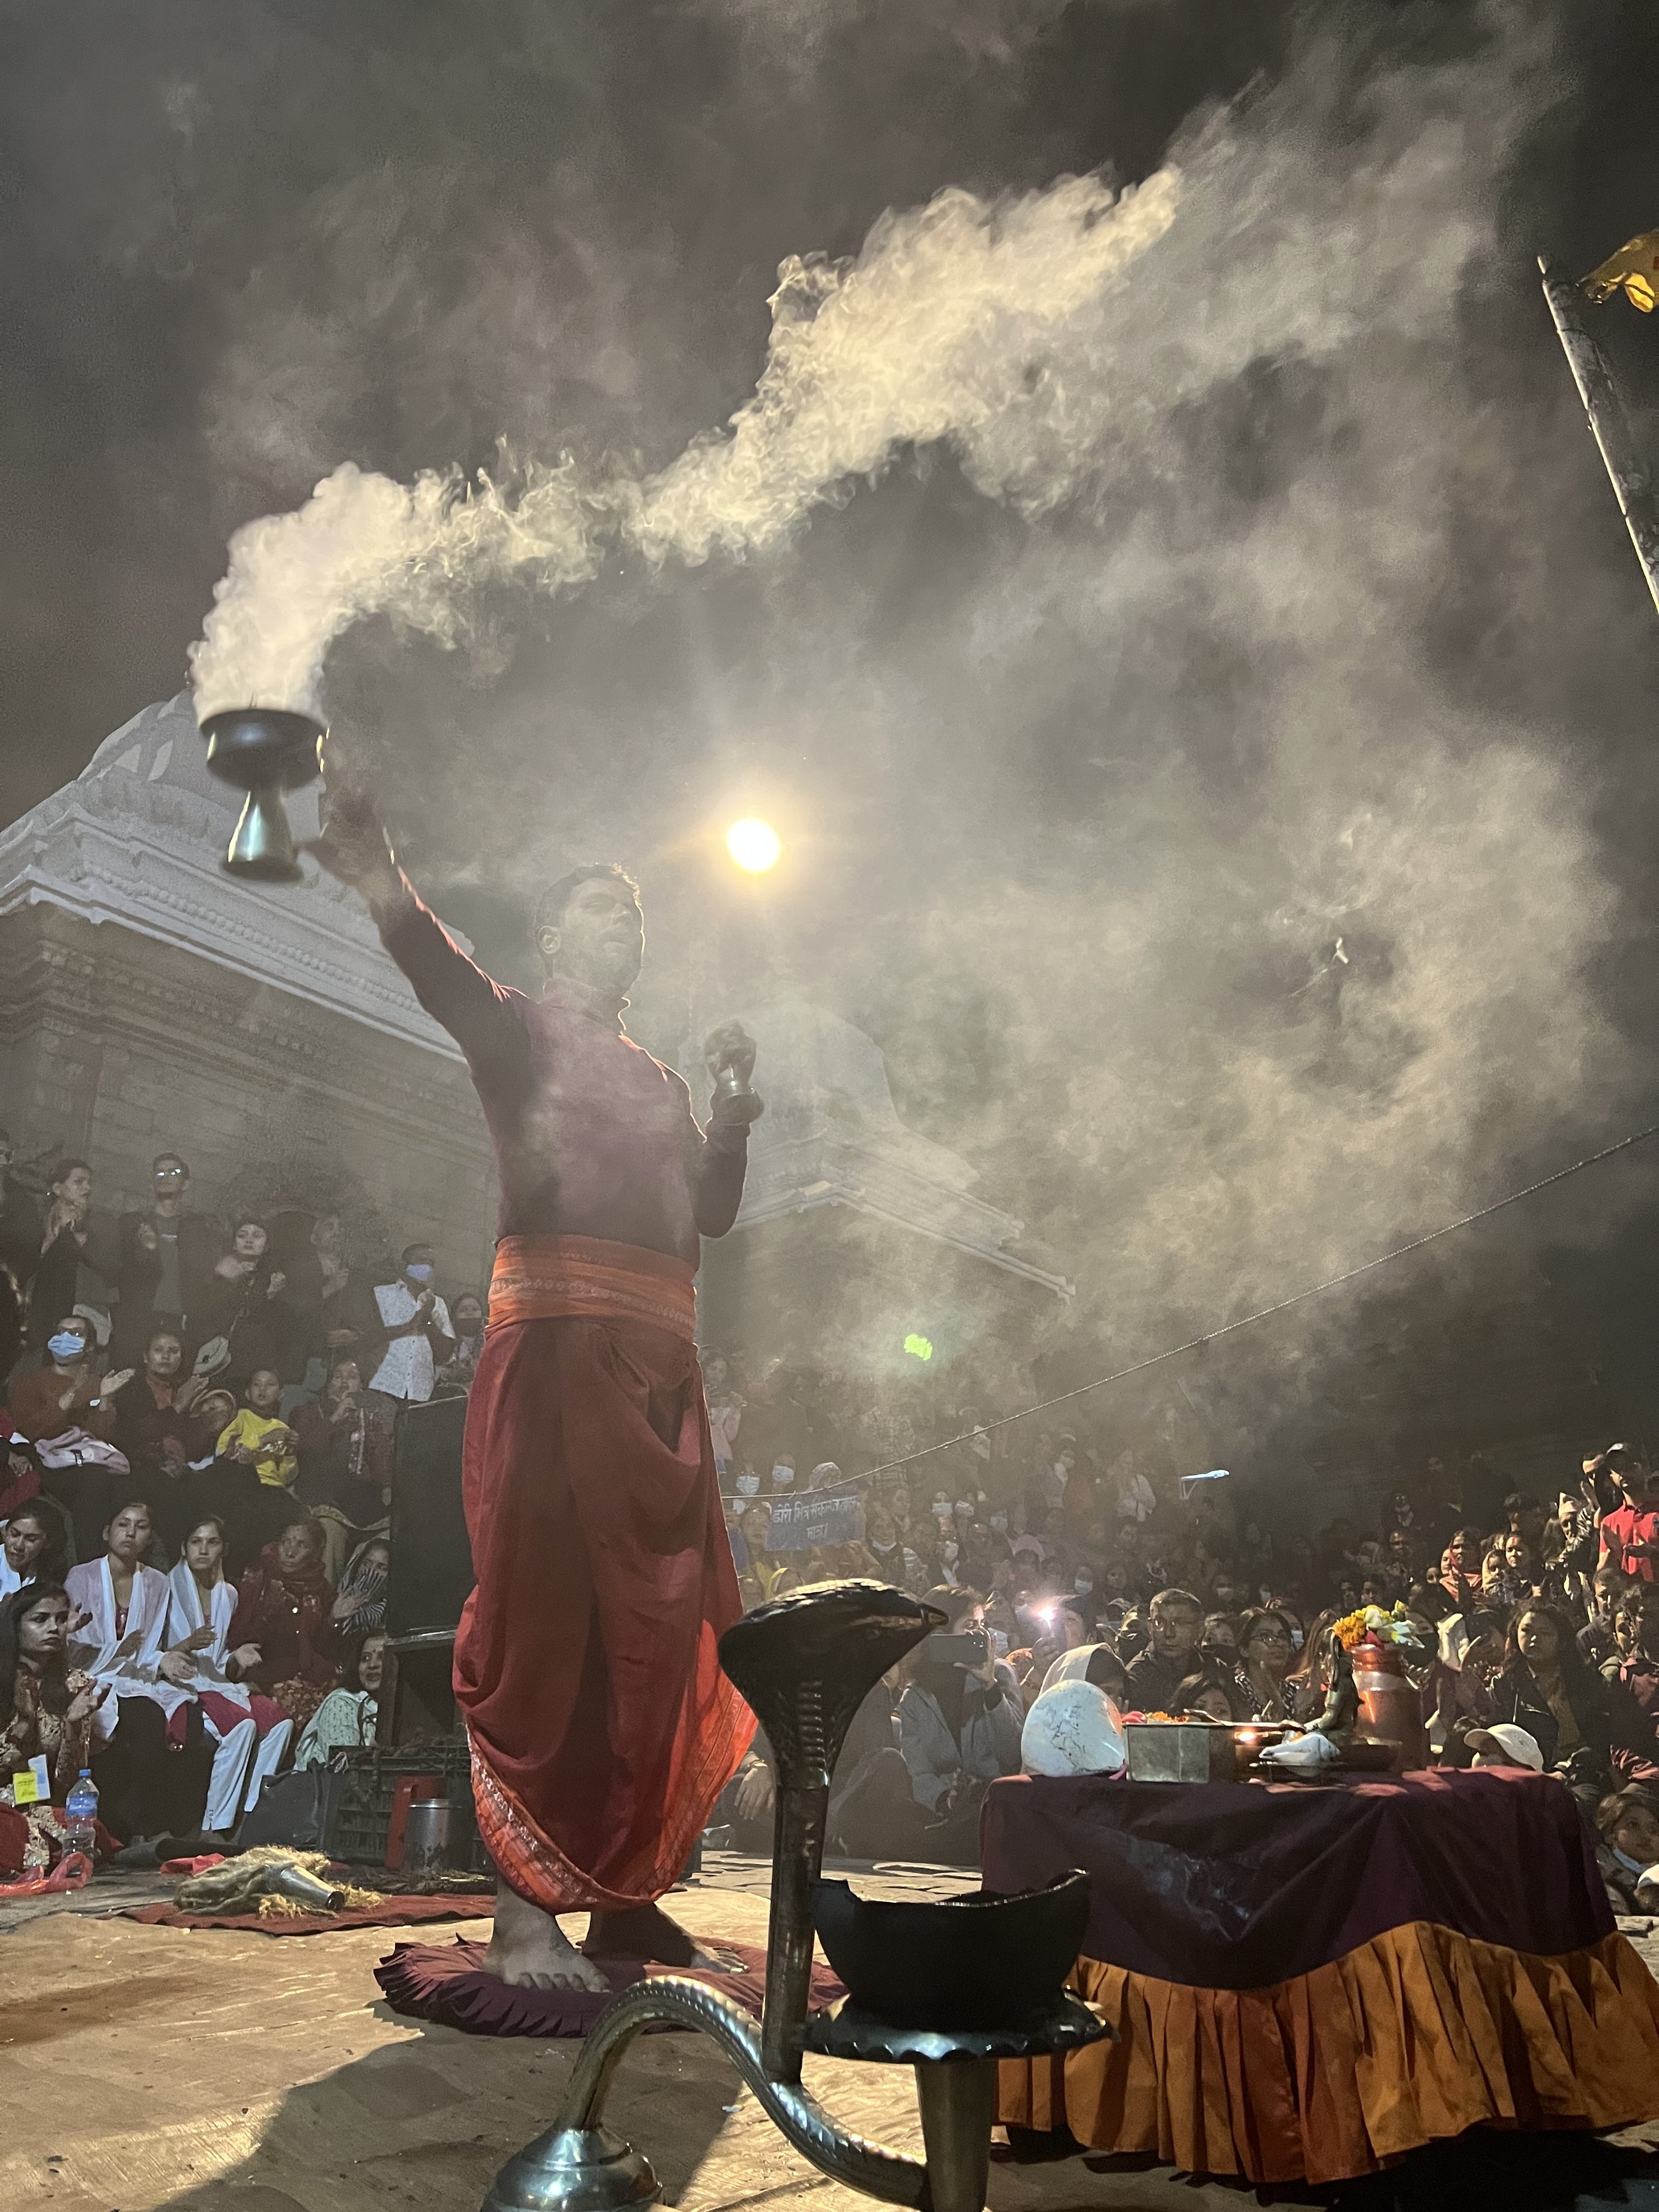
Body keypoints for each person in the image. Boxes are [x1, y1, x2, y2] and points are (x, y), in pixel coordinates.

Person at [314, 771, 758, 1990]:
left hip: (659, 1379)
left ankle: (625, 1902)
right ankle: (522, 1917)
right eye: (602, 909)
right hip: (557, 1358)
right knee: (546, 1623)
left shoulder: (663, 1080)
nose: (626, 926)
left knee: (653, 1643)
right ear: (555, 934)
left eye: (637, 913)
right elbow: (435, 969)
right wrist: (377, 868)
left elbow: (712, 1213)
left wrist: (730, 1116)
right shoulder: (517, 1033)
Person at [66, 1500, 212, 1846]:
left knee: (189, 1718)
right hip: (89, 1675)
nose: (131, 1532)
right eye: (123, 1524)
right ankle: (142, 1828)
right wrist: (122, 1654)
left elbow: (148, 1646)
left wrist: (160, 1660)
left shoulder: (156, 1582)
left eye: (141, 1526)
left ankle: (177, 1825)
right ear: (107, 1532)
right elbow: (73, 1645)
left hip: (136, 1677)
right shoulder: (81, 1576)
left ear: (149, 1537)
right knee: (146, 1721)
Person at [165, 1516, 293, 1837]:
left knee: (280, 1723)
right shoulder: (165, 1588)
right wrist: (187, 1644)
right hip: (178, 1681)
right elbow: (153, 1651)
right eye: (196, 1542)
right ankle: (216, 1825)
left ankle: (250, 1814)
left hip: (218, 1682)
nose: (203, 1550)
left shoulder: (228, 1594)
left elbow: (220, 1659)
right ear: (183, 1548)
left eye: (212, 1542)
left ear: (224, 1548)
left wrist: (237, 1658)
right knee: (241, 1726)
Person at [896, 1589, 1023, 1862]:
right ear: (940, 1634)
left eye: (982, 1625)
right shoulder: (915, 1698)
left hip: (996, 1804)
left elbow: (1012, 1754)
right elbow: (918, 1771)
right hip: (947, 1813)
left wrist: (990, 1688)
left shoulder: (1000, 1675)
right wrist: (944, 1800)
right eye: (969, 1625)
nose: (980, 1634)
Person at [8, 1314, 133, 1560]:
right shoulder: (30, 1383)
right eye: (60, 1331)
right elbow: (33, 1430)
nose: (65, 1338)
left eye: (75, 1333)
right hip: (49, 1460)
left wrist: (105, 1397)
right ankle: (89, 1564)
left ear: (90, 1346)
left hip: (91, 1457)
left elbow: (103, 1434)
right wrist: (74, 1390)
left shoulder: (99, 1383)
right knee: (96, 1480)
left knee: (123, 1486)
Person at [224, 1517, 342, 1728]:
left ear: (316, 1552)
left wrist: (335, 1619)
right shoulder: (257, 1577)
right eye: (286, 1542)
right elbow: (241, 1636)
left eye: (301, 1545)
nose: (290, 1552)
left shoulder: (322, 1591)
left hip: (301, 1673)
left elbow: (323, 1647)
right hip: (256, 1671)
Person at [0, 1583, 106, 1801]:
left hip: (45, 1805)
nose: (54, 1628)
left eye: (61, 1619)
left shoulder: (75, 1684)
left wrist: (73, 1726)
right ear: (15, 1625)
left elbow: (70, 1781)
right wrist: (24, 1724)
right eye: (40, 1619)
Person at [113, 1155, 220, 1363]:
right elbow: (119, 1270)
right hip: (138, 1318)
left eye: (174, 1172)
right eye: (160, 1172)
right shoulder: (132, 1223)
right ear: (151, 1182)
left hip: (181, 1321)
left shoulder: (200, 1227)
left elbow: (207, 1275)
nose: (166, 1177)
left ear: (186, 1184)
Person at [292, 1358, 385, 1575]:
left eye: (351, 1377)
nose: (344, 1382)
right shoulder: (310, 1411)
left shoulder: (375, 1415)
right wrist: (335, 1417)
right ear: (328, 1384)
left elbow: (382, 1460)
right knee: (329, 1530)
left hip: (366, 1501)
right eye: (337, 1377)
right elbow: (306, 1450)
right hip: (326, 1498)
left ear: (361, 1386)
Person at [27, 1159, 118, 1353]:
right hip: (42, 1305)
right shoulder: (40, 1218)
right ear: (58, 1188)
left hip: (80, 1307)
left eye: (89, 1183)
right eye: (79, 1182)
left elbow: (110, 1268)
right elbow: (25, 1266)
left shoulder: (101, 1221)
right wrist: (50, 1238)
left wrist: (80, 1233)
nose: (87, 1188)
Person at [366, 1244, 455, 1426]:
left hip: (421, 1394)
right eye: (422, 1261)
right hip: (383, 1387)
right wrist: (410, 1325)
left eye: (431, 1263)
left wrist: (428, 1318)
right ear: (404, 1265)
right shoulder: (381, 1294)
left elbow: (444, 1354)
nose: (428, 1267)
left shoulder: (438, 1303)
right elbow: (369, 1337)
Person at [295, 1632, 390, 1768]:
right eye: (365, 1658)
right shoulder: (342, 1703)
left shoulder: (404, 1710)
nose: (372, 1665)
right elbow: (343, 1765)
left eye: (382, 1657)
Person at [216, 1368, 300, 1497]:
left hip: (272, 1490)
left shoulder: (282, 1428)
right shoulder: (240, 1417)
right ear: (247, 1393)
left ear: (280, 1394)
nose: (262, 1389)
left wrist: (290, 1452)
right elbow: (222, 1450)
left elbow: (285, 1478)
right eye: (257, 1384)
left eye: (270, 1384)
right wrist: (263, 1440)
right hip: (242, 1484)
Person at [1124, 1588, 1205, 1713]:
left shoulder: (1214, 1670)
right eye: (1159, 1622)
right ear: (1149, 1628)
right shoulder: (1134, 1678)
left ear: (1199, 1630)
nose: (1169, 1633)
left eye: (1180, 1623)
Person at [1593, 1787, 1659, 1913]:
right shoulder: (1600, 1879)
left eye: (1653, 1829)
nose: (1646, 1836)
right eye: (1632, 1825)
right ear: (1610, 1835)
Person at [1599, 1448, 1659, 1585]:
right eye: (1617, 1468)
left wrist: (1652, 1552)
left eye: (1629, 1465)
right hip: (1629, 1596)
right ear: (1611, 1477)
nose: (1623, 1473)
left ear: (1645, 1467)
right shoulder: (1609, 1522)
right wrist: (1610, 1556)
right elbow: (1603, 1574)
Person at [1232, 1606, 1297, 1720]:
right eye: (1266, 1636)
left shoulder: (1294, 1694)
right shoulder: (1234, 1691)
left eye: (1283, 1637)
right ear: (1244, 1650)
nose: (1278, 1643)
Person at [0, 1499, 70, 1600]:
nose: (19, 1546)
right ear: (6, 1531)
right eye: (14, 1534)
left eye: (31, 1539)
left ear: (48, 1542)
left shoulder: (49, 1572)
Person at [330, 1535, 390, 1642]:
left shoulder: (393, 1616)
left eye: (382, 1568)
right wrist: (334, 1618)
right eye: (366, 1564)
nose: (371, 1571)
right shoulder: (332, 1600)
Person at [437, 1291, 486, 1392]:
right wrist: (452, 1374)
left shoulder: (491, 1340)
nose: (470, 1313)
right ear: (454, 1317)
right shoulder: (445, 1341)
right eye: (463, 1310)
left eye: (475, 1309)